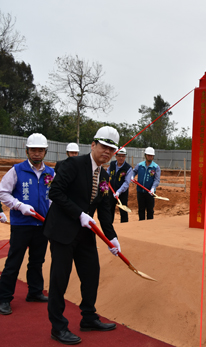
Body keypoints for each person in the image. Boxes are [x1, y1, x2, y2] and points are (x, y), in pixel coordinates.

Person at [43, 126, 122, 345]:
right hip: (62, 231)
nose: (107, 152)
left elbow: (105, 210)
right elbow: (55, 192)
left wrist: (111, 237)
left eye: (111, 149)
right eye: (104, 147)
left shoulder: (105, 176)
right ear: (93, 145)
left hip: (85, 234)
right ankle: (58, 327)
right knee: (60, 278)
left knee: (91, 274)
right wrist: (79, 214)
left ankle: (88, 317)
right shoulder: (72, 165)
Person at [0, 133, 54, 315]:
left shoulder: (50, 173)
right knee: (14, 261)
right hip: (22, 224)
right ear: (27, 150)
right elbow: (3, 192)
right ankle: (4, 298)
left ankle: (35, 291)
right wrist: (18, 205)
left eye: (40, 150)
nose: (37, 153)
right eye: (33, 150)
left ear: (45, 152)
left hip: (42, 225)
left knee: (37, 261)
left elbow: (53, 197)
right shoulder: (17, 170)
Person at [133, 147, 161, 221]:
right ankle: (141, 225)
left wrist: (152, 188)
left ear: (153, 156)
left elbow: (157, 180)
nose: (150, 157)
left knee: (150, 210)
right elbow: (134, 171)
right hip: (140, 192)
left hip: (150, 193)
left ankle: (150, 226)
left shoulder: (156, 167)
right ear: (145, 155)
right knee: (141, 210)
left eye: (151, 155)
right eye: (148, 155)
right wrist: (132, 176)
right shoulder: (140, 165)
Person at [109, 147, 133, 223]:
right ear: (115, 156)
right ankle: (109, 225)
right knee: (110, 209)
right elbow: (107, 173)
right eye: (119, 156)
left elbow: (126, 182)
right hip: (111, 191)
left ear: (125, 157)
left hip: (122, 193)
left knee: (123, 211)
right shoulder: (112, 164)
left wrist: (119, 192)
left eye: (123, 156)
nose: (121, 158)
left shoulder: (128, 168)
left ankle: (124, 227)